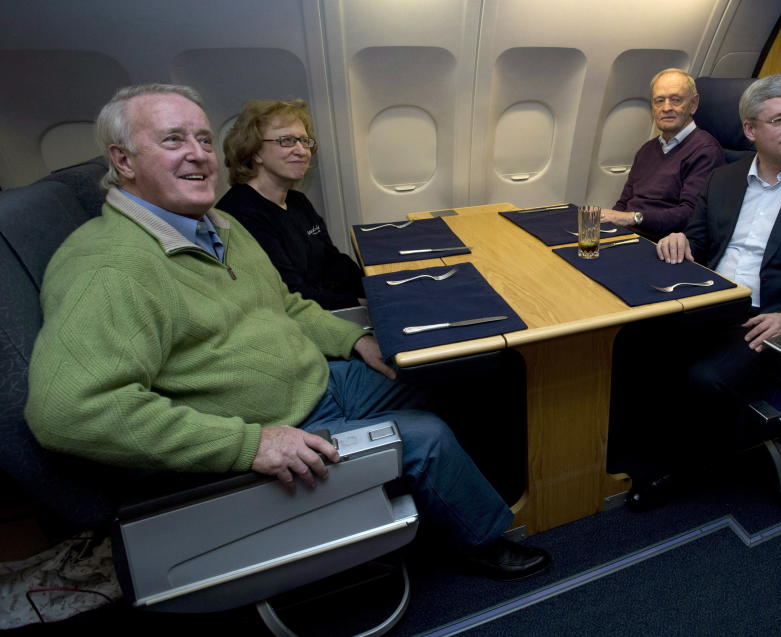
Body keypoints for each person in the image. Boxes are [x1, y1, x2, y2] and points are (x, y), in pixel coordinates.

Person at [25, 84, 549, 581]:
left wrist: (357, 341)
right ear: (123, 161)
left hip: (318, 381)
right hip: (271, 424)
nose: (199, 154)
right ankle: (480, 540)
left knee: (461, 367)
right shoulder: (110, 267)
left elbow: (289, 304)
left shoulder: (217, 227)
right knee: (424, 435)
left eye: (204, 139)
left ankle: (472, 496)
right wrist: (248, 443)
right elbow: (69, 412)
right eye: (172, 140)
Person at [626, 74, 781, 510]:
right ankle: (632, 446)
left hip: (769, 313)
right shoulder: (724, 178)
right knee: (633, 344)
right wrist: (679, 240)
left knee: (704, 378)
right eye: (779, 119)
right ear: (750, 130)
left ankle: (681, 469)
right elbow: (699, 242)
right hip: (709, 296)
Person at [217, 99, 364, 310]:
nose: (302, 151)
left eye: (304, 141)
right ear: (255, 150)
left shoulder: (297, 201)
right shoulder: (240, 214)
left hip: (329, 303)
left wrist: (374, 288)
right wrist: (358, 304)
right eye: (287, 141)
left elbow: (333, 260)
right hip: (300, 316)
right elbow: (290, 293)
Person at [600, 68, 725, 241]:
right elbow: (624, 203)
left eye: (676, 100)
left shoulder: (706, 151)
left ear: (693, 104)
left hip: (660, 244)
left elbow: (689, 214)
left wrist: (632, 218)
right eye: (659, 101)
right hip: (627, 236)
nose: (666, 108)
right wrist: (607, 226)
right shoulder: (646, 150)